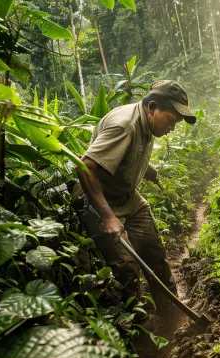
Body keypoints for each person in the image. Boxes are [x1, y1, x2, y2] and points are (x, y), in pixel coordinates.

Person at [71, 80, 196, 301]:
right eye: (170, 120)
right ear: (152, 107)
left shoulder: (147, 124)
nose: (172, 127)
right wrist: (107, 216)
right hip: (99, 198)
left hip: (127, 196)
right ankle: (140, 325)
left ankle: (170, 310)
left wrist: (147, 170)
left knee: (153, 251)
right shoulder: (125, 126)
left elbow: (124, 154)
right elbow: (86, 168)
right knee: (126, 266)